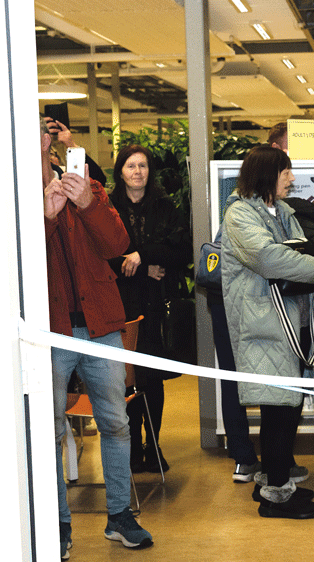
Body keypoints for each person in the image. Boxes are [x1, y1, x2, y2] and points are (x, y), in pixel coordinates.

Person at [44, 120, 154, 557]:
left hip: (101, 324)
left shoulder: (88, 188)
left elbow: (116, 244)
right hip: (48, 329)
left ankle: (120, 516)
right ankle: (57, 524)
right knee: (49, 429)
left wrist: (88, 203)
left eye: (50, 145)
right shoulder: (17, 199)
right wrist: (46, 217)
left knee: (115, 422)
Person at [221, 146, 314, 519]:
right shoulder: (239, 213)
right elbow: (268, 258)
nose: (291, 179)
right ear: (268, 175)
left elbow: (304, 250)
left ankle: (276, 482)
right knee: (277, 408)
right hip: (264, 324)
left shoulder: (282, 210)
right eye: (286, 172)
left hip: (291, 321)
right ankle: (275, 496)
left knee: (288, 406)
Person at [107, 145, 191, 474]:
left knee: (152, 379)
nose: (137, 171)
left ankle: (153, 445)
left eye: (142, 165)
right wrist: (147, 266)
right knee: (126, 379)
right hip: (120, 306)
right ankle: (131, 449)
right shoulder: (108, 207)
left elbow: (182, 250)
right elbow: (103, 257)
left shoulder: (165, 205)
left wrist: (142, 256)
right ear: (120, 171)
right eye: (131, 165)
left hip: (156, 305)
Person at [45, 117, 108, 186]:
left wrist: (72, 145)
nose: (51, 158)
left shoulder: (61, 174)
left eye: (52, 154)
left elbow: (99, 181)